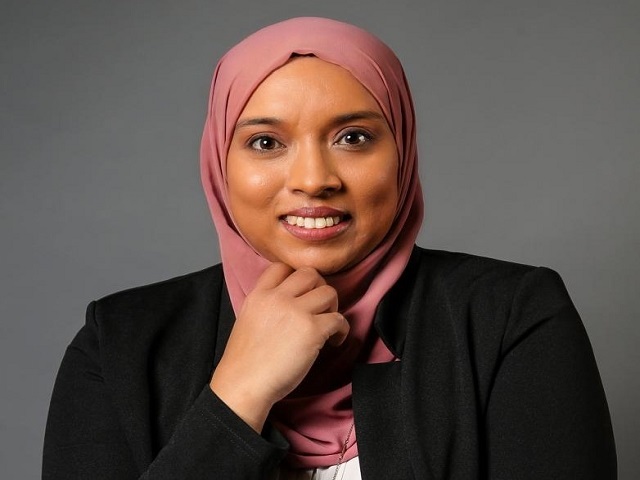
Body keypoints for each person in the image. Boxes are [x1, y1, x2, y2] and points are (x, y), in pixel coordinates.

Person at [42, 17, 616, 480]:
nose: (314, 179)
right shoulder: (118, 345)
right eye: (266, 142)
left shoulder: (509, 318)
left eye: (353, 137)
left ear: (403, 151)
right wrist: (239, 393)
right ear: (220, 162)